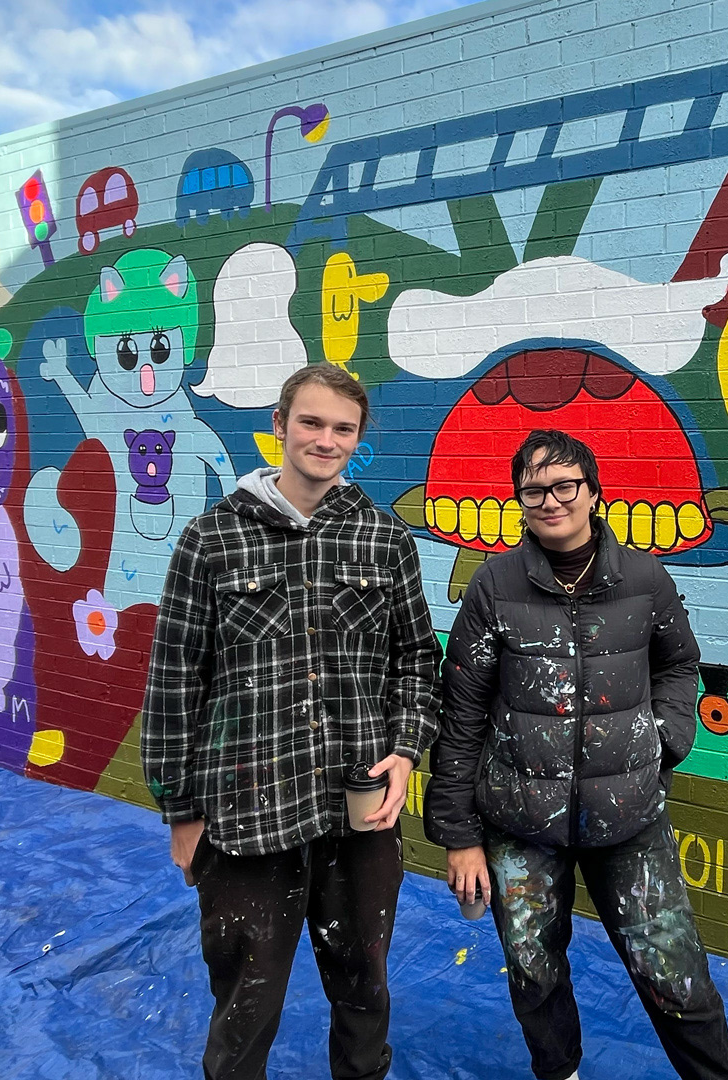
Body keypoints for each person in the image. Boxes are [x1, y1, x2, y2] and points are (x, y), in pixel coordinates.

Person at [141, 363, 440, 1080]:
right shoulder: (211, 540)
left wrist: (406, 750)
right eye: (311, 422)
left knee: (364, 987)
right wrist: (181, 810)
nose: (326, 440)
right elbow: (175, 680)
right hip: (248, 811)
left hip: (358, 809)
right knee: (246, 1002)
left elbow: (417, 659)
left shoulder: (384, 539)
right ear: (279, 425)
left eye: (343, 428)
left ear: (357, 439)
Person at [426, 428, 728, 1080]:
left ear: (593, 492)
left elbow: (679, 663)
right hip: (519, 820)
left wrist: (666, 737)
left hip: (629, 815)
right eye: (533, 490)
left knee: (674, 974)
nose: (551, 500)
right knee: (533, 968)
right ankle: (559, 1072)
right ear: (520, 500)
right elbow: (461, 713)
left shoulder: (644, 579)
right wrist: (458, 836)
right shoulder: (494, 586)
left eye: (565, 485)